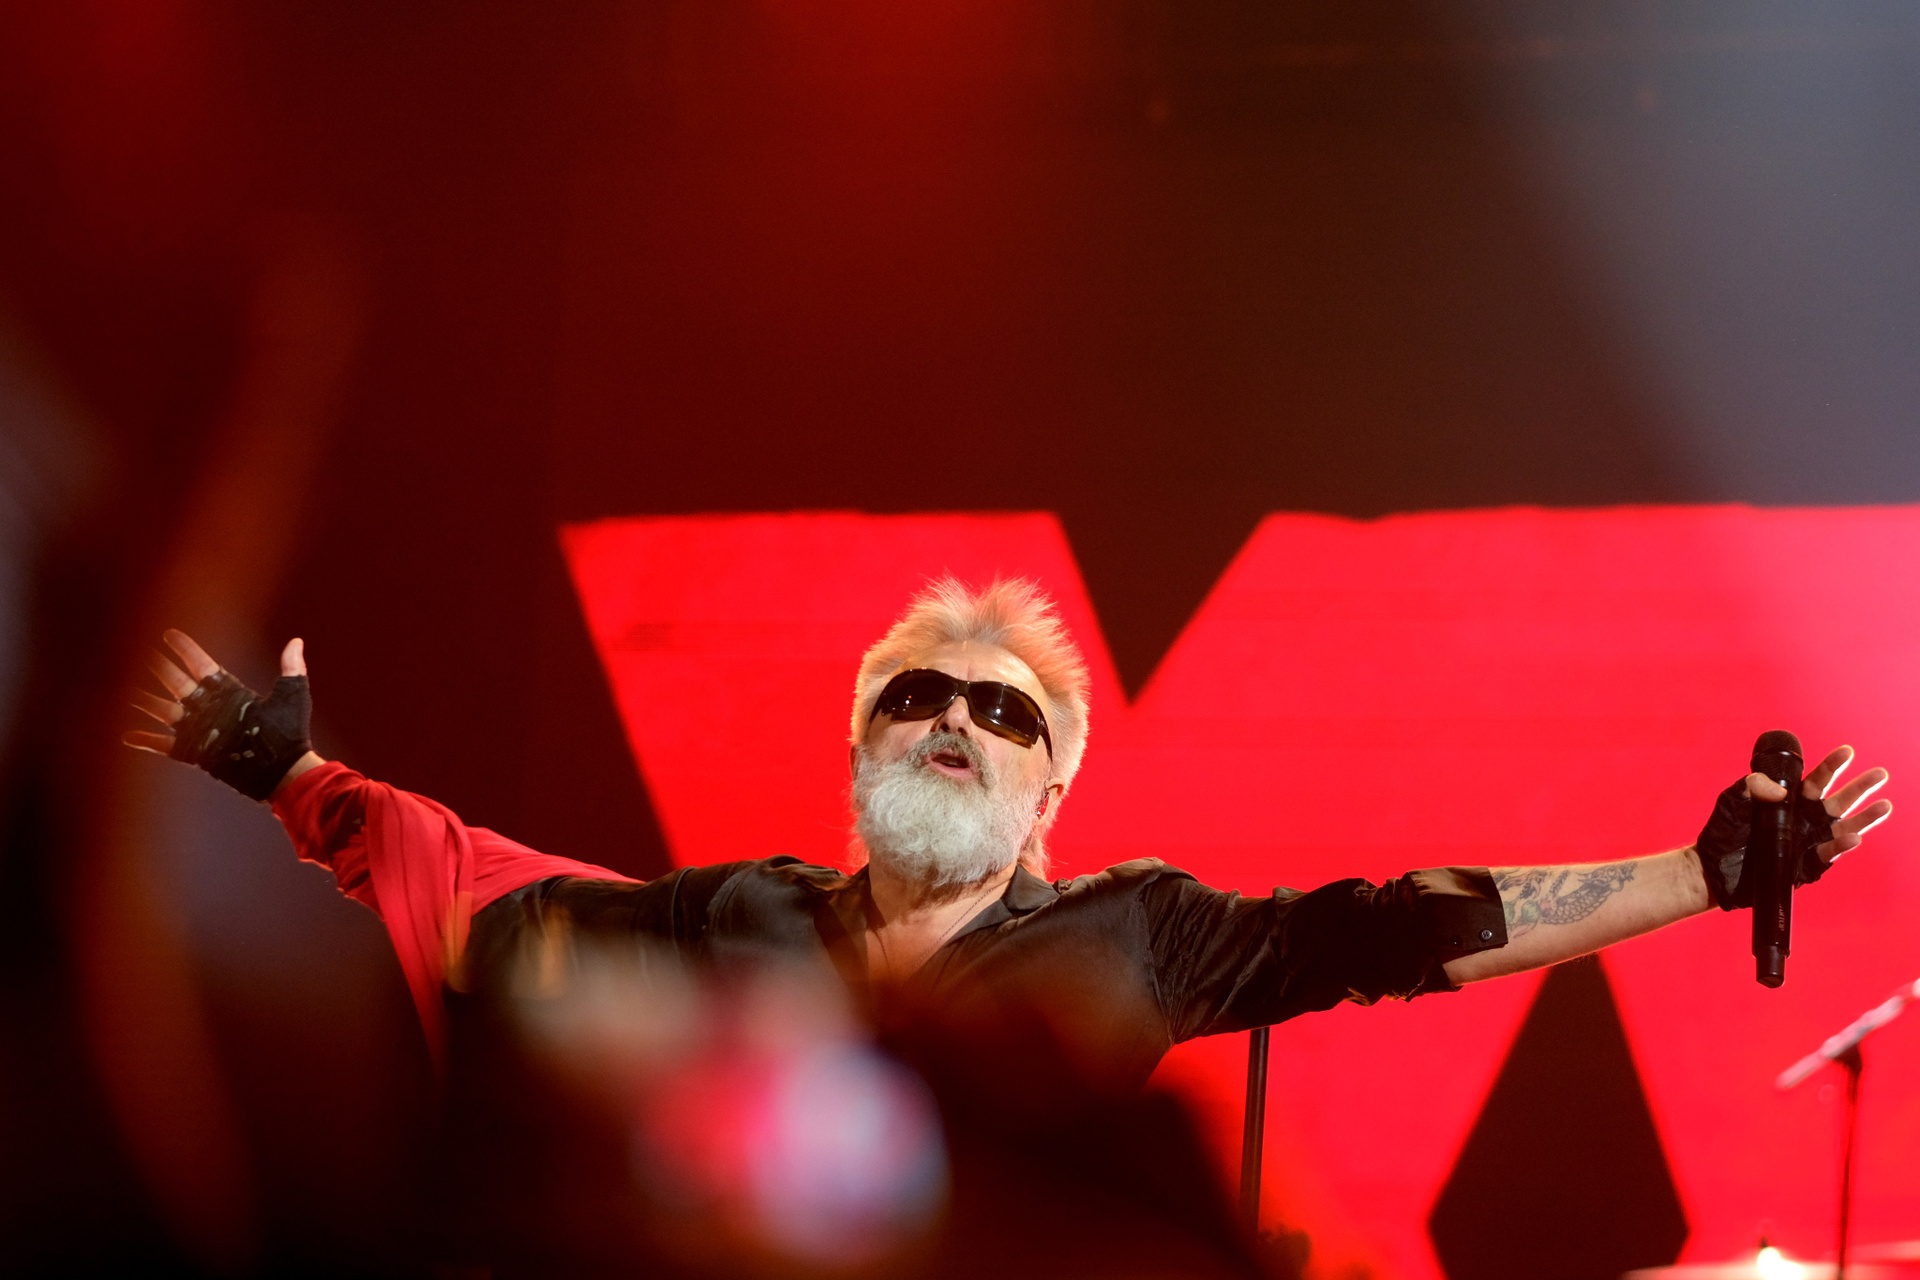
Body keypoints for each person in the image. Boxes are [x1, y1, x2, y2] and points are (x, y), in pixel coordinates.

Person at [126, 578, 1892, 1087]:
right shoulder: (733, 915)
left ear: (1053, 791)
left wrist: (1696, 875)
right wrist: (286, 778)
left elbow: (1404, 928)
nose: (957, 721)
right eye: (919, 697)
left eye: (1004, 713)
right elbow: (479, 892)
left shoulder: (1141, 932)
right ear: (861, 750)